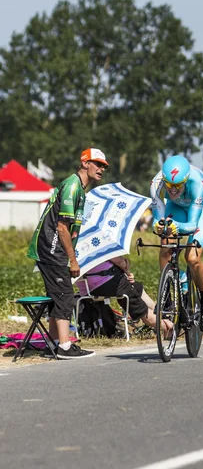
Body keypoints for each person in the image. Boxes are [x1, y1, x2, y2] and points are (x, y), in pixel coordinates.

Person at [27, 148, 109, 359]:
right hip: (51, 249)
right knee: (64, 296)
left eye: (103, 166)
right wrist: (73, 260)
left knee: (58, 297)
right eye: (97, 164)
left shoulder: (79, 189)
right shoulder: (73, 186)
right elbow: (62, 227)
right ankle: (64, 346)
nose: (101, 169)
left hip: (54, 250)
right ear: (84, 163)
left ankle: (54, 344)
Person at [150, 155, 203, 332]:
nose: (173, 189)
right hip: (175, 207)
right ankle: (167, 295)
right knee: (166, 244)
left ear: (185, 180)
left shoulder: (197, 183)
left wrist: (177, 226)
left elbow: (193, 225)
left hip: (199, 210)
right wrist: (158, 225)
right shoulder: (156, 184)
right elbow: (158, 219)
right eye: (169, 185)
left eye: (178, 185)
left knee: (192, 258)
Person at [77, 256, 173, 335]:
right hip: (109, 283)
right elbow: (120, 261)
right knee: (145, 314)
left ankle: (159, 312)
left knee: (137, 287)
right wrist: (126, 269)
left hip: (87, 290)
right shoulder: (99, 241)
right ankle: (167, 326)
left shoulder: (75, 246)